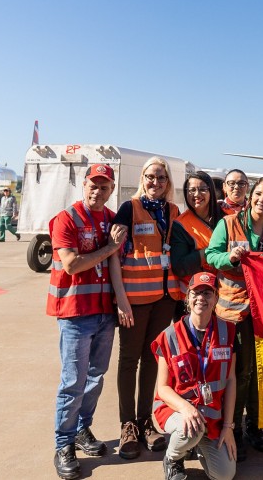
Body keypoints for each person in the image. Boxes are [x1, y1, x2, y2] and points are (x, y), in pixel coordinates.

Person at [48, 164, 127, 480]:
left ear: (111, 190)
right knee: (73, 381)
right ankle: (63, 444)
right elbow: (71, 264)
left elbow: (117, 264)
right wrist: (109, 247)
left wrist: (120, 302)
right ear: (84, 186)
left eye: (104, 187)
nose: (98, 191)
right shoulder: (67, 219)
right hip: (75, 313)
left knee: (95, 376)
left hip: (104, 314)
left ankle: (82, 430)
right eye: (93, 185)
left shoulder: (111, 220)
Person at [110, 157, 185, 459]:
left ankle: (145, 422)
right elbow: (114, 256)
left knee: (152, 360)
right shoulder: (130, 208)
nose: (156, 183)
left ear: (168, 183)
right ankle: (127, 424)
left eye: (162, 178)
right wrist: (121, 299)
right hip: (134, 300)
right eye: (151, 177)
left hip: (164, 298)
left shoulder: (174, 211)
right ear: (143, 178)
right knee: (129, 360)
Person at [206, 177, 263, 461]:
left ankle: (255, 424)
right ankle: (235, 428)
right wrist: (231, 257)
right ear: (251, 197)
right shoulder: (228, 224)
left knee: (258, 372)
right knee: (238, 374)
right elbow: (211, 255)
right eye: (259, 194)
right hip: (232, 313)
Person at [152, 271, 237, 480]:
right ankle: (173, 458)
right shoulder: (169, 335)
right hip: (174, 409)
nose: (201, 298)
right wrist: (185, 407)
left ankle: (197, 444)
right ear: (187, 298)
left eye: (207, 293)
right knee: (190, 428)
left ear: (216, 297)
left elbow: (231, 380)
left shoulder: (229, 331)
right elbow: (162, 388)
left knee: (224, 475)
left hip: (210, 416)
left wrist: (228, 427)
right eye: (196, 293)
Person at [170, 171, 223, 312]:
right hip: (192, 299)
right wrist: (210, 253)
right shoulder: (181, 224)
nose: (196, 194)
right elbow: (180, 267)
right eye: (191, 190)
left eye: (202, 189)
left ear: (211, 191)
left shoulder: (226, 216)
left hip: (224, 297)